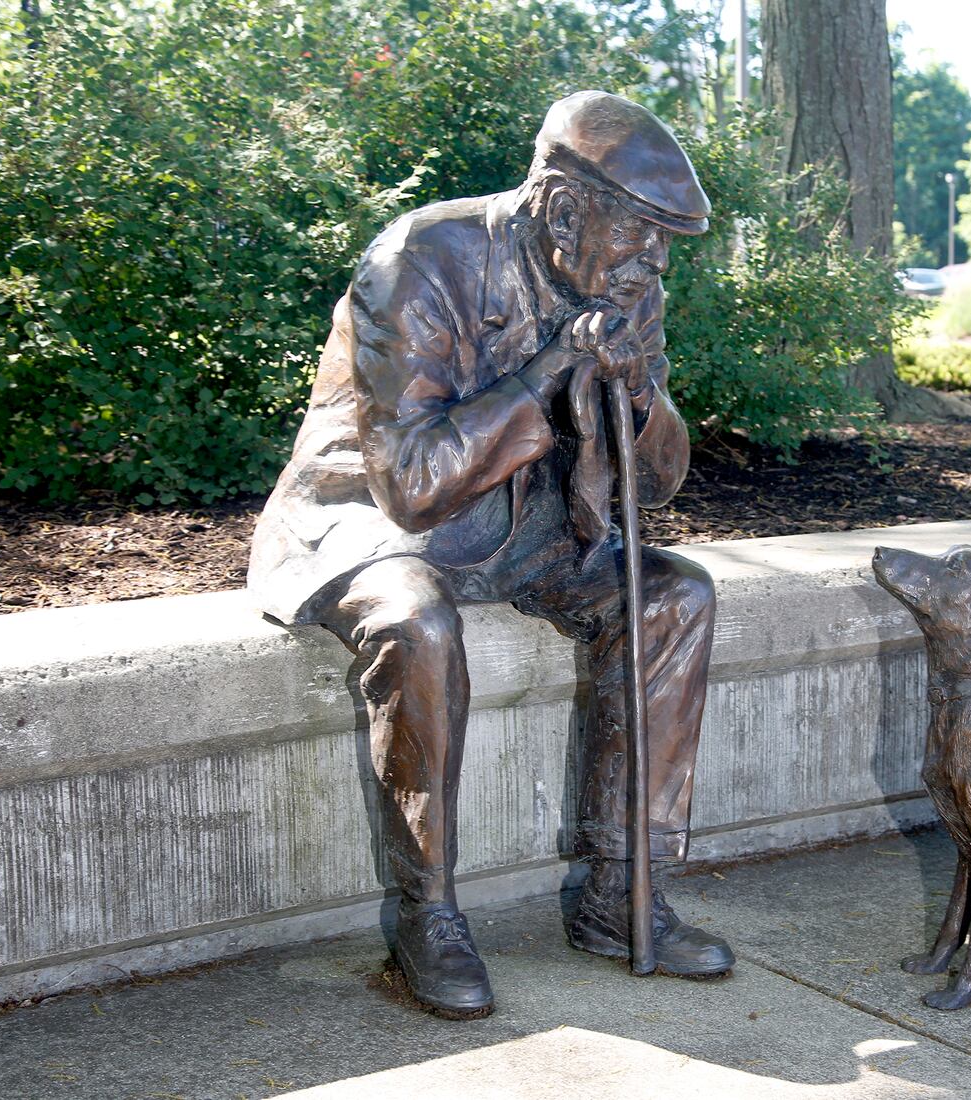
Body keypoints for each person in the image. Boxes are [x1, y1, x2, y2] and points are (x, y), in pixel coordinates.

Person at [248, 91, 731, 1018]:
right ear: (562, 208)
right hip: (376, 518)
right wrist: (548, 372)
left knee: (675, 596)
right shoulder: (421, 261)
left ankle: (620, 893)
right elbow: (413, 486)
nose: (657, 261)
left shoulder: (628, 284)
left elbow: (660, 484)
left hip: (531, 521)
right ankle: (427, 914)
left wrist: (638, 394)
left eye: (669, 243)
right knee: (417, 624)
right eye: (644, 234)